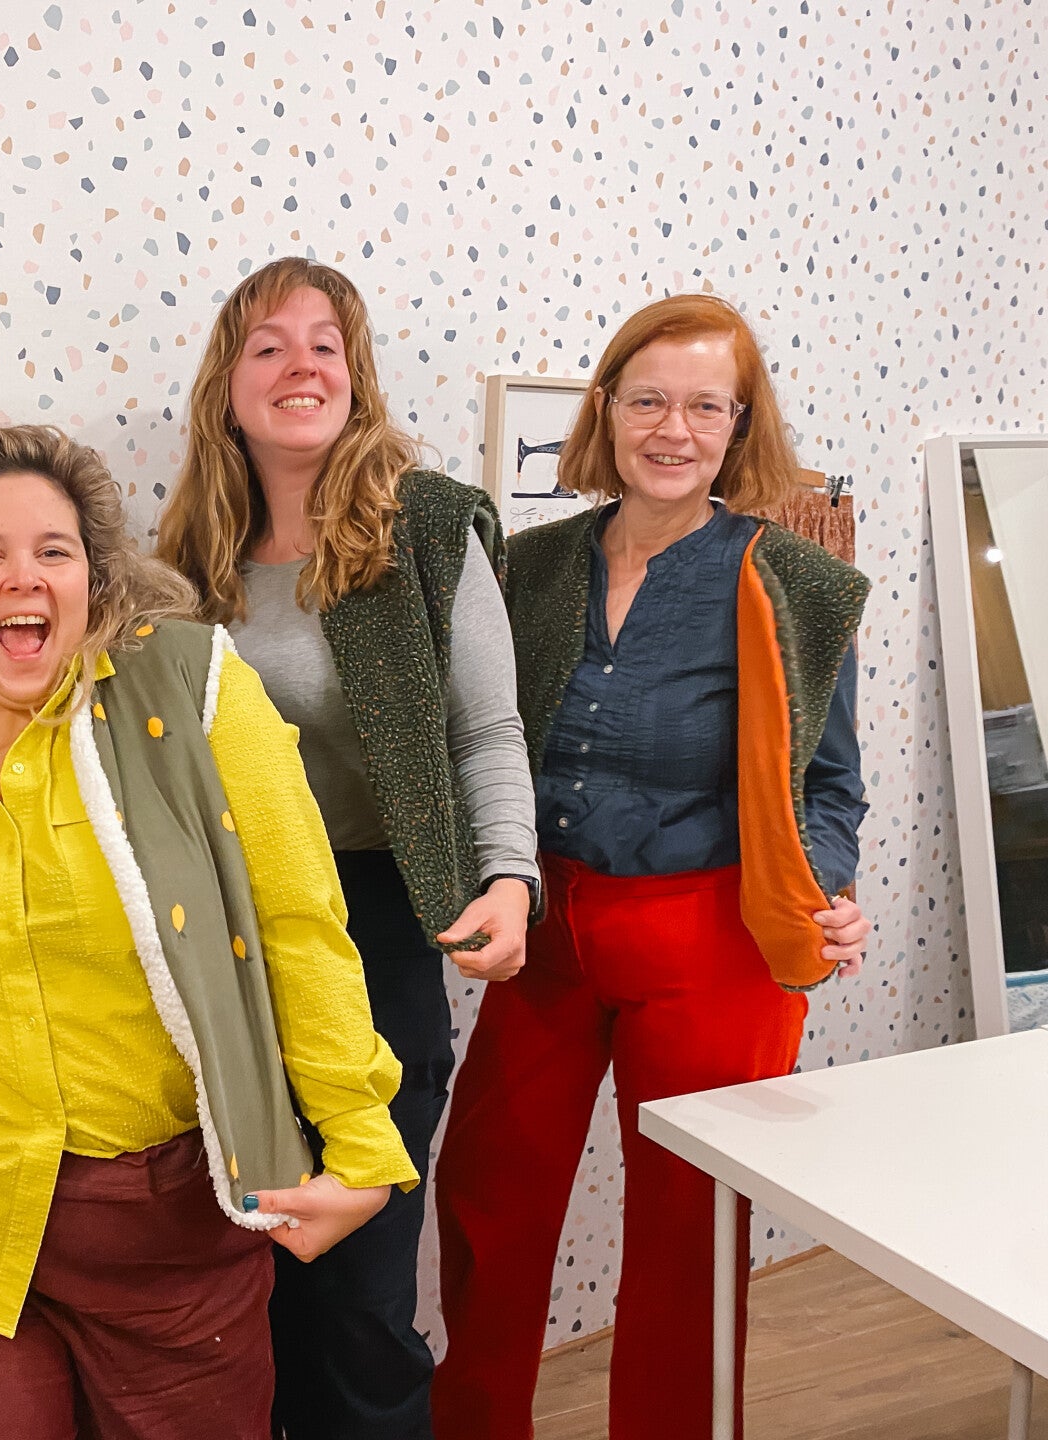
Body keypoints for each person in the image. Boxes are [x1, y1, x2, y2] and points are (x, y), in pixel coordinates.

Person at [0, 423, 417, 1439]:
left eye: (55, 551)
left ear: (94, 582)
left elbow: (296, 923)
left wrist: (359, 1138)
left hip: (170, 1236)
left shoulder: (190, 690)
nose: (27, 577)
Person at [431, 293, 873, 1440]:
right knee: (487, 1198)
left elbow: (829, 789)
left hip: (710, 941)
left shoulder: (795, 583)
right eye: (649, 401)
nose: (674, 429)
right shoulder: (529, 567)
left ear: (739, 426)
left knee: (689, 1235)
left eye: (705, 407)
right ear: (608, 410)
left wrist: (827, 888)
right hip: (548, 925)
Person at [154, 256, 539, 1440]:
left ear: (357, 377)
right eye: (269, 345)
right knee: (254, 1260)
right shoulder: (186, 558)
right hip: (226, 935)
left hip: (375, 923)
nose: (301, 365)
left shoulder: (423, 528)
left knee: (361, 1287)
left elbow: (485, 727)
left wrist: (510, 878)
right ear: (228, 386)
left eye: (326, 344)